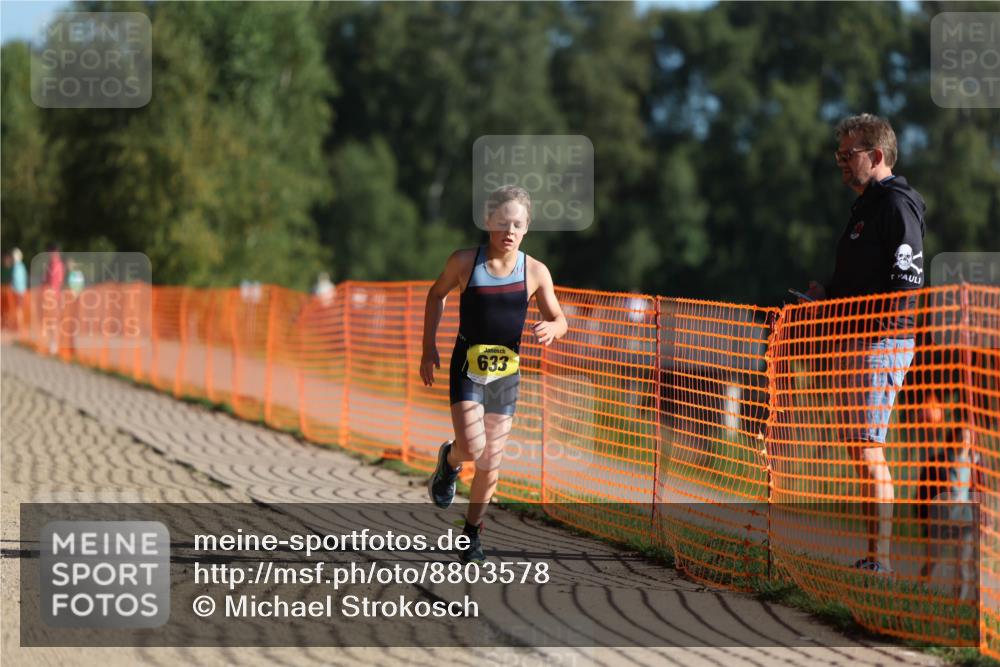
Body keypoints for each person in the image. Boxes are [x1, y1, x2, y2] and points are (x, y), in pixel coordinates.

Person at [802, 114, 926, 574]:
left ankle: (881, 560)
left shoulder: (897, 205)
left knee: (869, 448)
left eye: (847, 154)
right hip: (855, 341)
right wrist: (826, 298)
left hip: (880, 342)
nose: (840, 163)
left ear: (875, 156)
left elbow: (903, 285)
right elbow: (859, 279)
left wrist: (855, 319)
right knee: (860, 448)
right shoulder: (866, 208)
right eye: (838, 155)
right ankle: (875, 555)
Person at [420, 185, 567, 563]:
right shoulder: (465, 262)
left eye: (517, 224)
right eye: (502, 223)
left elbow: (559, 318)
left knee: (492, 459)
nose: (509, 230)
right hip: (468, 366)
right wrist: (428, 347)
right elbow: (436, 295)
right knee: (472, 448)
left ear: (527, 227)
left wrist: (554, 328)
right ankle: (449, 462)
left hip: (506, 373)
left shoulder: (535, 271)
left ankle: (471, 534)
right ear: (488, 222)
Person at [917, 411, 982, 601]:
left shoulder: (976, 464)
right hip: (941, 519)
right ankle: (918, 594)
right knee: (933, 561)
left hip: (965, 520)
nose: (965, 441)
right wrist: (923, 517)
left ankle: (957, 606)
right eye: (962, 436)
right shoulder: (938, 462)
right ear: (953, 437)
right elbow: (923, 491)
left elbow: (982, 490)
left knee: (962, 565)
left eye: (968, 437)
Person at [10, 248, 28, 333]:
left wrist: (15, 289)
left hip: (18, 292)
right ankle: (18, 326)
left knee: (18, 309)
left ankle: (19, 327)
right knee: (18, 309)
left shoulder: (18, 267)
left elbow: (18, 280)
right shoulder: (20, 266)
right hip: (20, 291)